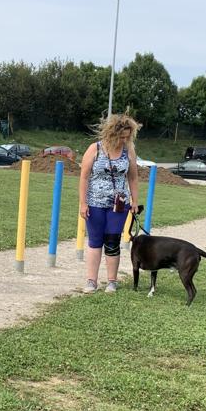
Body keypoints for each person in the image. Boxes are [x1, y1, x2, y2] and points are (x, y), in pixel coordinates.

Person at [78, 113, 140, 293]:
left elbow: (133, 178)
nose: (124, 140)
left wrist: (135, 201)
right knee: (95, 241)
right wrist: (83, 203)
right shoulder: (94, 149)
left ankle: (112, 281)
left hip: (118, 205)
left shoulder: (129, 151)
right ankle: (91, 281)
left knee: (112, 241)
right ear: (112, 133)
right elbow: (84, 177)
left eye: (128, 137)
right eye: (121, 136)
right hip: (95, 202)